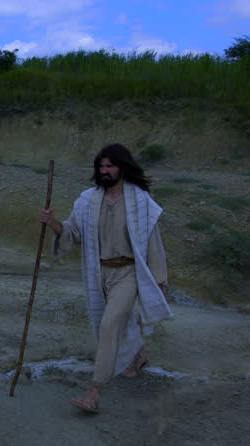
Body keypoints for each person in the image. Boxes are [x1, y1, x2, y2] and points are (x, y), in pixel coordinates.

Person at [38, 143, 172, 413]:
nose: (104, 170)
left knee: (109, 325)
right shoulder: (87, 200)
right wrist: (54, 223)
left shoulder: (140, 201)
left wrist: (159, 280)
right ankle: (138, 357)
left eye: (110, 166)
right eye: (101, 166)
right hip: (98, 272)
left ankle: (95, 391)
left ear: (122, 167)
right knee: (110, 323)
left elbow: (152, 242)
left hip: (129, 273)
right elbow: (73, 233)